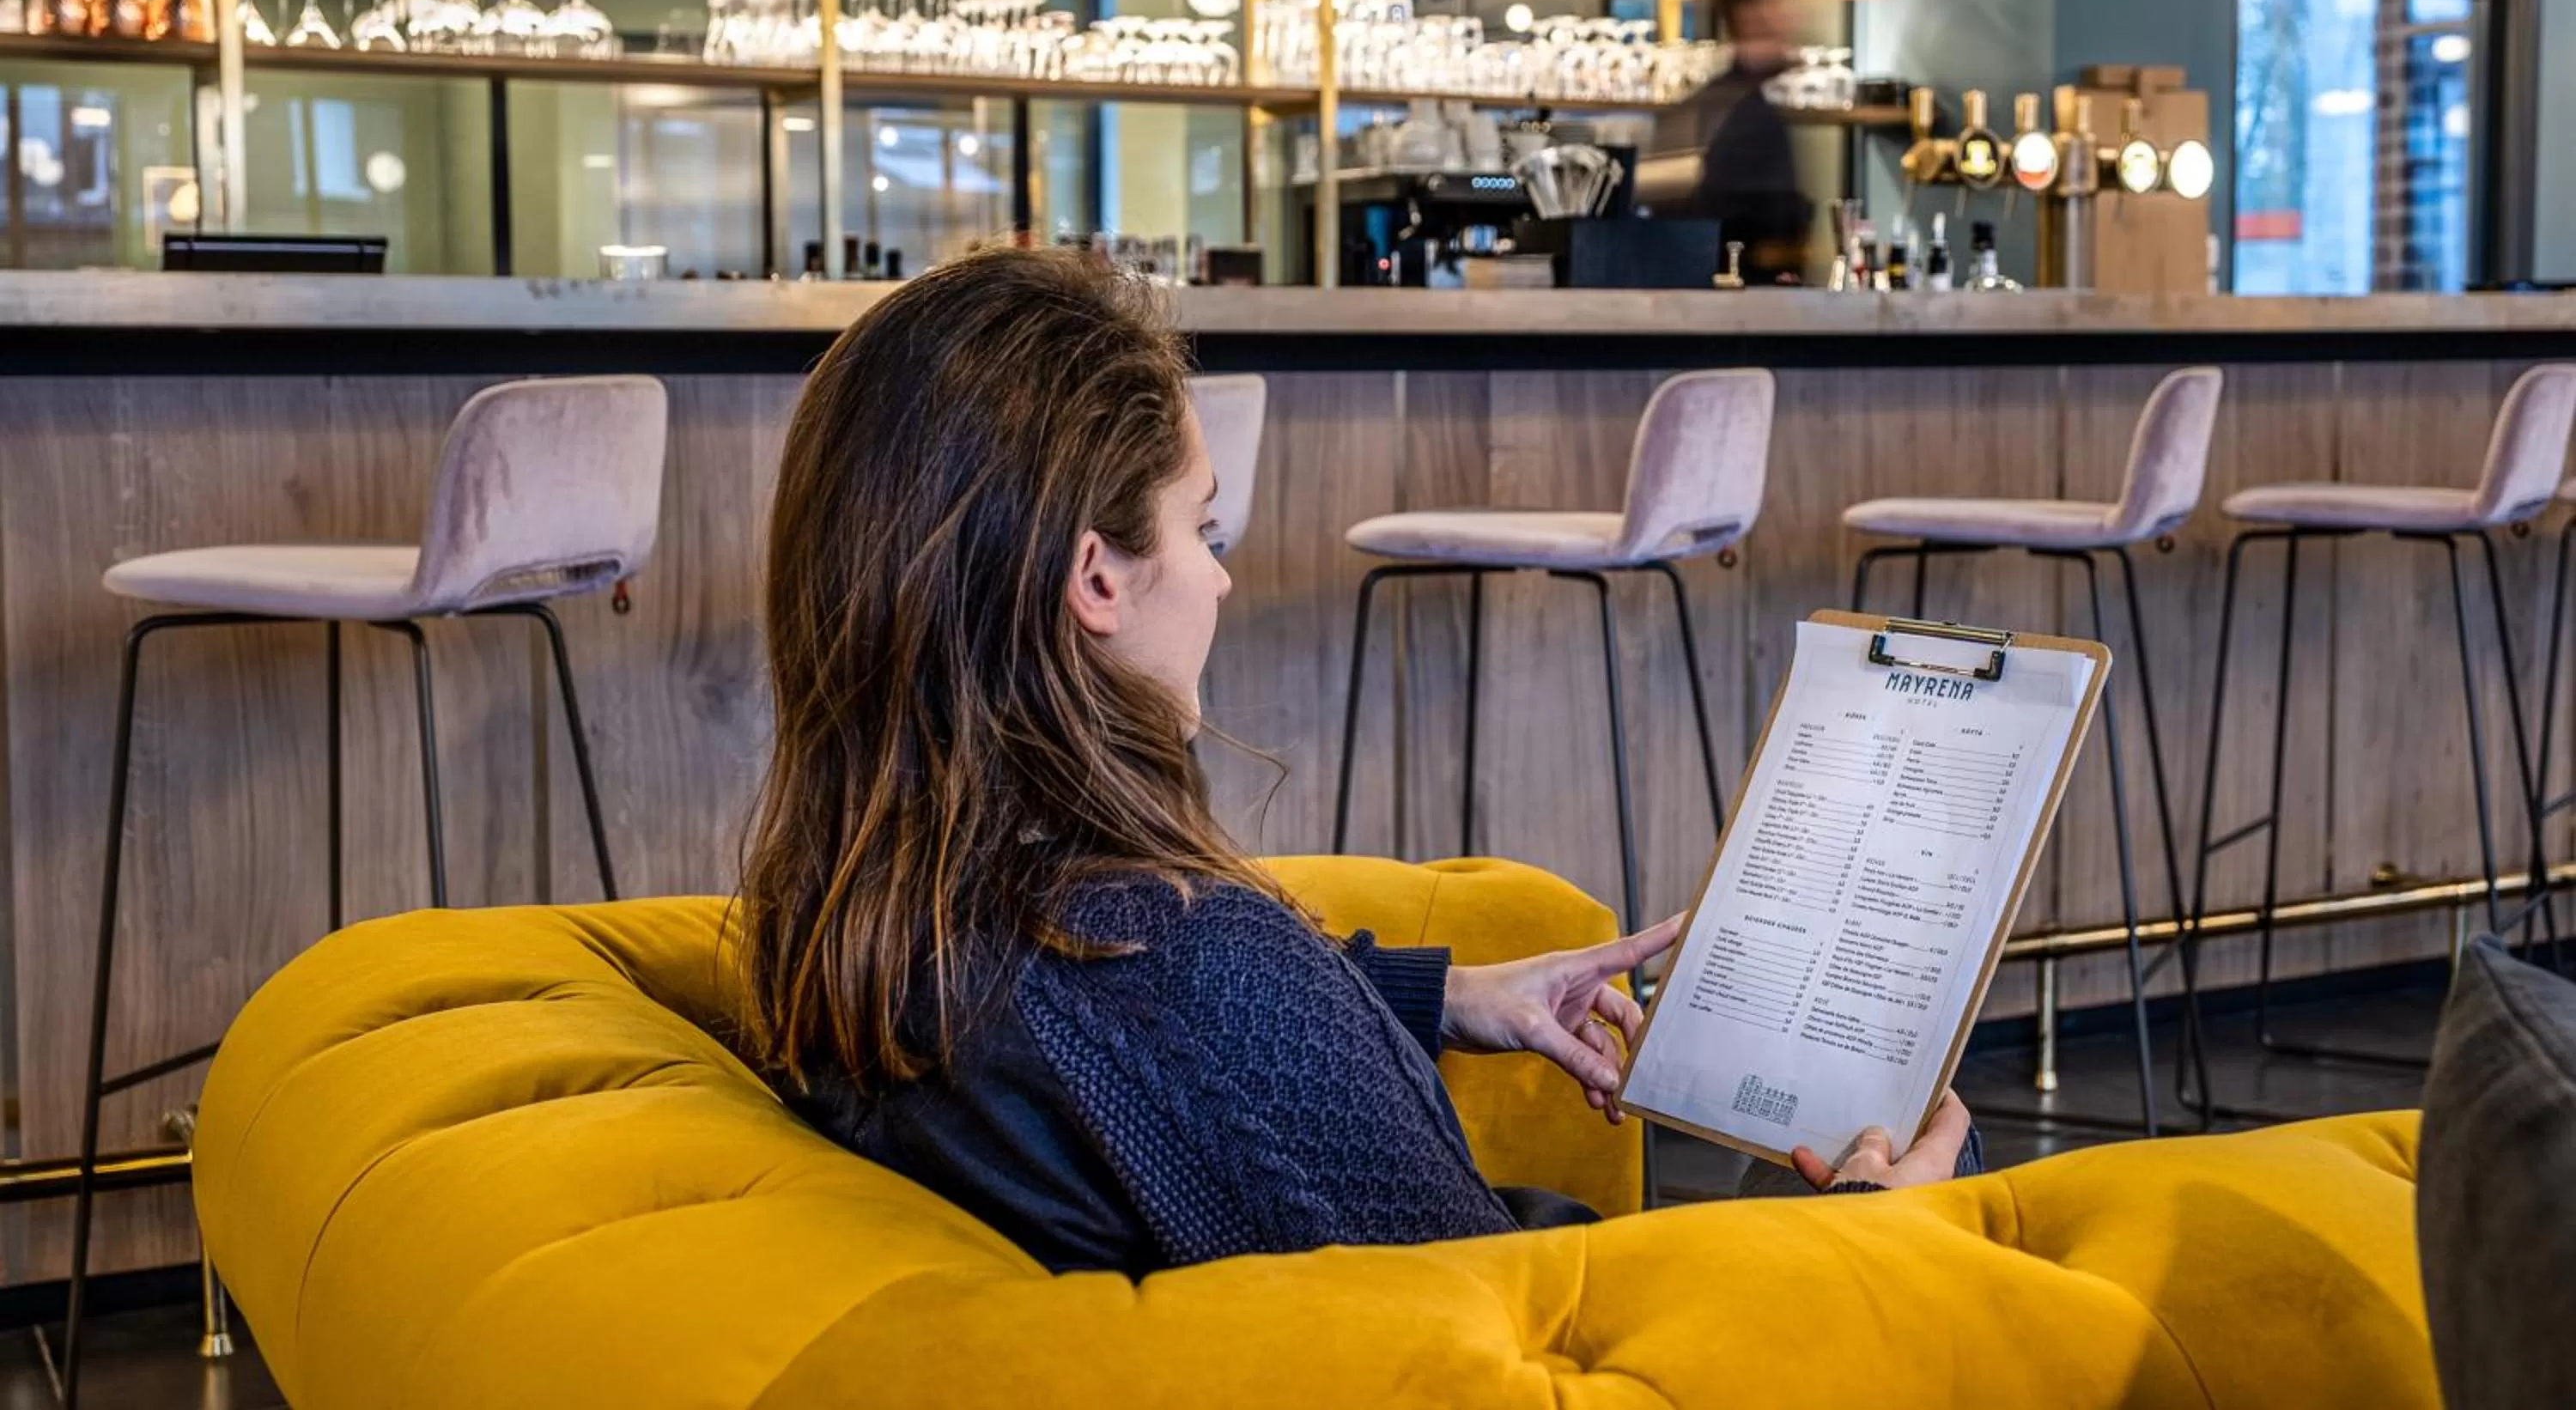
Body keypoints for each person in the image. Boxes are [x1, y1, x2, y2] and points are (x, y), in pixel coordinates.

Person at [738, 246, 1972, 1276]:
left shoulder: (853, 927)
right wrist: (1863, 1233)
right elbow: (1489, 1342)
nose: (1222, 576)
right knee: (1920, 1155)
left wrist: (1439, 1000)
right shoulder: (1201, 962)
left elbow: (1153, 1068)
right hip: (1560, 1324)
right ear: (1096, 577)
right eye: (1202, 527)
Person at [1656, 0, 1815, 285]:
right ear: (1751, 12)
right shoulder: (1748, 116)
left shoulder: (1703, 106)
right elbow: (1767, 244)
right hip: (1742, 321)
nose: (1799, 13)